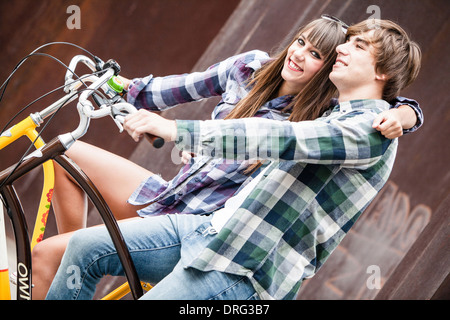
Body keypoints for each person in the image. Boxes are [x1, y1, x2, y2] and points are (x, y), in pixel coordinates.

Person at [43, 17, 421, 300]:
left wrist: (176, 131)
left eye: (357, 47)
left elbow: (276, 136)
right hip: (211, 232)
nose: (343, 48)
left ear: (382, 71)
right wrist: (408, 110)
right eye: (347, 42)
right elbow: (176, 87)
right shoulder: (338, 112)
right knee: (83, 249)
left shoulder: (366, 130)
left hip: (243, 270)